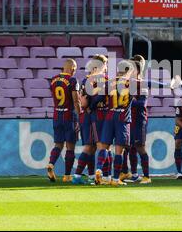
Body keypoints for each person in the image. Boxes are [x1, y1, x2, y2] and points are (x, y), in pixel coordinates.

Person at [95, 60, 135, 186]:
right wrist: (168, 84)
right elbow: (151, 84)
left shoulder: (109, 83)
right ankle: (116, 179)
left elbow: (98, 98)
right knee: (119, 151)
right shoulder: (133, 83)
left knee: (104, 147)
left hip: (109, 116)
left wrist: (91, 106)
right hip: (122, 119)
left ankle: (99, 170)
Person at [72, 54, 108, 185]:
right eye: (105, 65)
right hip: (98, 115)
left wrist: (86, 107)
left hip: (86, 116)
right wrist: (91, 106)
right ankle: (103, 174)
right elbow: (98, 98)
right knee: (102, 145)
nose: (106, 67)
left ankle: (80, 175)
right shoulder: (103, 80)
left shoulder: (85, 80)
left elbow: (82, 100)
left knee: (90, 147)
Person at [46, 59, 81, 183]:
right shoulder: (72, 80)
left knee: (58, 144)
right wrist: (80, 113)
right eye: (75, 68)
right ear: (72, 68)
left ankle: (51, 164)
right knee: (70, 147)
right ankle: (67, 175)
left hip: (57, 115)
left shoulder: (53, 80)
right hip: (69, 116)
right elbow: (76, 101)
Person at [120, 55, 151, 184]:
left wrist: (130, 100)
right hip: (128, 119)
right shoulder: (127, 84)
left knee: (140, 147)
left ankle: (147, 177)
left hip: (139, 119)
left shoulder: (142, 84)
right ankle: (134, 174)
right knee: (129, 147)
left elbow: (142, 104)